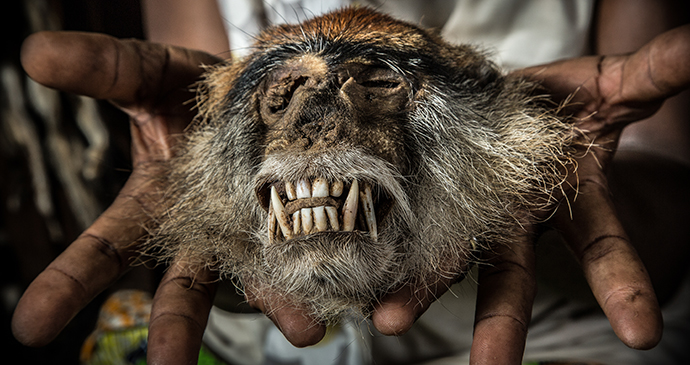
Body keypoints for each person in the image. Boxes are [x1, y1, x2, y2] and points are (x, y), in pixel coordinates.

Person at [12, 2, 690, 365]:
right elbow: (235, 185)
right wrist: (232, 235)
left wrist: (526, 196)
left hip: (555, 328)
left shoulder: (499, 127)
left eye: (378, 86)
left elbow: (667, 209)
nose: (318, 125)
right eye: (285, 94)